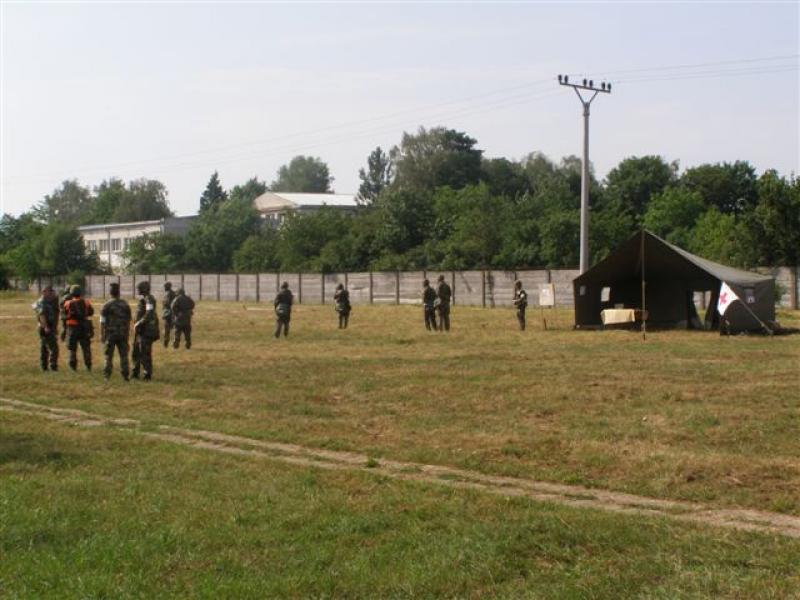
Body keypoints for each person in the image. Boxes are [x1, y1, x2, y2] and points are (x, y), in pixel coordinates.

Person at [100, 282, 132, 380]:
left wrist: (102, 334)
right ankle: (125, 375)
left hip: (110, 334)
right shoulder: (125, 304)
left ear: (110, 292)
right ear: (119, 292)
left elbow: (102, 321)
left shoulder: (106, 305)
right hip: (122, 333)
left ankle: (107, 376)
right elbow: (128, 320)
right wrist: (127, 333)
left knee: (108, 356)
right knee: (124, 355)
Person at [132, 280, 159, 380]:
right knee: (136, 352)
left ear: (144, 289)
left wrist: (139, 322)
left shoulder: (149, 299)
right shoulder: (144, 299)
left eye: (139, 288)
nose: (137, 290)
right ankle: (135, 373)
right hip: (141, 331)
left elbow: (150, 312)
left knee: (145, 352)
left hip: (146, 331)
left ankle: (147, 374)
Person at [63, 284, 94, 371]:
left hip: (72, 328)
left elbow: (64, 315)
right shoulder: (86, 302)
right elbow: (91, 312)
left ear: (71, 293)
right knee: (86, 348)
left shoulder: (67, 303)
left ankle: (73, 366)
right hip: (83, 327)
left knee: (72, 348)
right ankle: (88, 365)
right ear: (80, 293)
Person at [33, 285, 60, 371]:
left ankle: (44, 366)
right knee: (54, 348)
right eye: (50, 291)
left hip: (48, 327)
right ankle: (53, 366)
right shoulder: (42, 302)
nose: (52, 293)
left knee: (44, 347)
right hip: (45, 327)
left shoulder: (50, 301)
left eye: (52, 291)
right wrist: (46, 327)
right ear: (44, 292)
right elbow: (42, 315)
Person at [161, 281, 177, 347]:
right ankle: (168, 342)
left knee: (168, 329)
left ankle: (167, 342)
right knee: (169, 329)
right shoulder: (169, 293)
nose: (164, 288)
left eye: (165, 286)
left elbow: (169, 304)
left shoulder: (170, 294)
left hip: (169, 314)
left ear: (168, 287)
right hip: (168, 313)